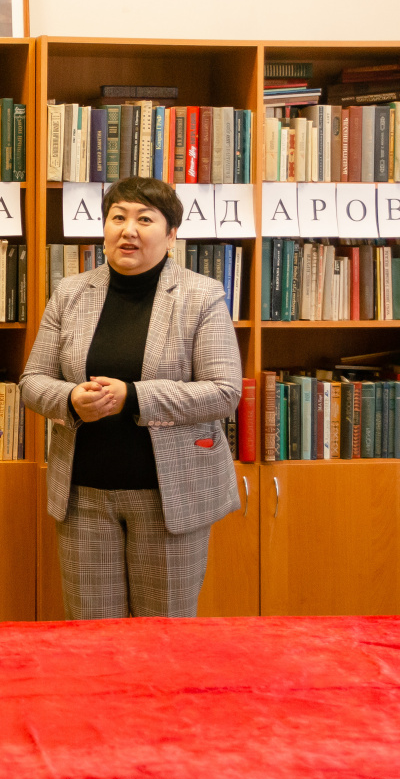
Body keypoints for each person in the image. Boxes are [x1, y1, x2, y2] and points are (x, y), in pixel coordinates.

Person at [21, 177, 243, 618]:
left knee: (164, 641)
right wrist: (70, 398)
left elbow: (224, 392)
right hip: (84, 497)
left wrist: (135, 397)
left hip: (169, 498)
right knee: (95, 639)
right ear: (104, 228)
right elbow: (32, 380)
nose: (128, 230)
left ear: (171, 234)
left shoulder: (201, 296)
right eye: (118, 217)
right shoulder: (70, 293)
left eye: (145, 219)